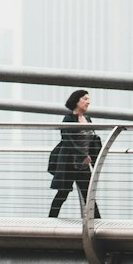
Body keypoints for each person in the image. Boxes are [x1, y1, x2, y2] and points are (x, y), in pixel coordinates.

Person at [48, 88, 102, 218]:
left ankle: (97, 222)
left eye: (88, 99)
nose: (88, 102)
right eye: (85, 99)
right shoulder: (69, 118)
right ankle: (50, 220)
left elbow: (92, 140)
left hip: (83, 165)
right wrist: (83, 155)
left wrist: (95, 157)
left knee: (89, 194)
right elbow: (67, 139)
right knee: (63, 193)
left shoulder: (87, 119)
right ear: (76, 101)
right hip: (69, 163)